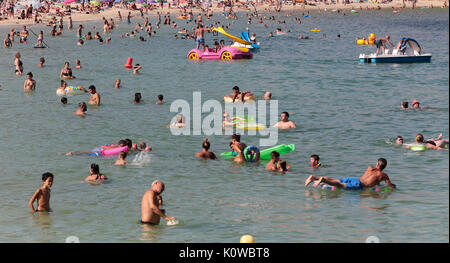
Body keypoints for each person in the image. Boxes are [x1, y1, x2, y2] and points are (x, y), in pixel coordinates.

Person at [305, 158, 396, 190]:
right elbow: (390, 186)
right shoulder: (384, 176)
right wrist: (394, 187)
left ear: (377, 164)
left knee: (336, 180)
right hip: (359, 185)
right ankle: (323, 180)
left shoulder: (370, 167)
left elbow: (373, 178)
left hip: (355, 179)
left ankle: (315, 177)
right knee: (339, 185)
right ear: (385, 167)